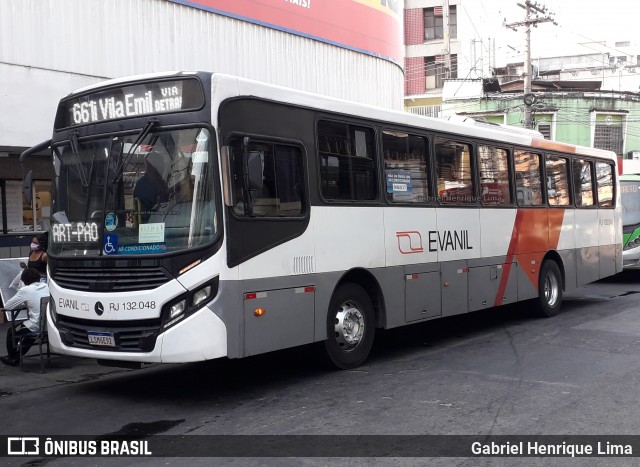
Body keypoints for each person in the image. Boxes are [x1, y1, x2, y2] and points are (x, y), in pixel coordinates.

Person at [0, 268, 49, 366]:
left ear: (24, 280)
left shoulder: (25, 290)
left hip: (36, 326)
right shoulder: (46, 286)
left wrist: (23, 302)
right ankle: (17, 357)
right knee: (28, 332)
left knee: (11, 331)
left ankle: (12, 357)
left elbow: (8, 306)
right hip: (48, 326)